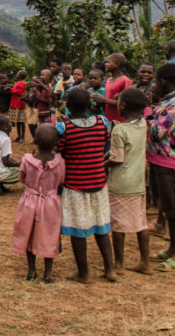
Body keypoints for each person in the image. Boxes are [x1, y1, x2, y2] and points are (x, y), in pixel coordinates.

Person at [56, 87, 116, 283]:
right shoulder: (102, 122)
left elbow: (61, 152)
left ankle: (84, 273)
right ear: (89, 105)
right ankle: (110, 269)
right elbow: (106, 144)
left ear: (67, 107)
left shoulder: (65, 129)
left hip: (75, 185)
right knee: (101, 228)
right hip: (98, 182)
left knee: (77, 229)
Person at [146, 63, 175, 270]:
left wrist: (146, 112)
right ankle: (173, 249)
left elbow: (157, 132)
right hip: (161, 159)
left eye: (157, 80)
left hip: (170, 161)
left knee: (173, 208)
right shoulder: (173, 100)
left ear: (163, 81)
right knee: (167, 204)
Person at [108, 87, 152, 275]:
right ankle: (145, 261)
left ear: (123, 105)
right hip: (138, 182)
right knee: (140, 222)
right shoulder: (143, 124)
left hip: (121, 183)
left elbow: (116, 159)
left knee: (118, 225)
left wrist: (101, 163)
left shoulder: (119, 130)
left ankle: (119, 263)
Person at [13, 124, 65, 282]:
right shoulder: (60, 162)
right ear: (56, 143)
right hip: (51, 203)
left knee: (29, 233)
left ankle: (31, 270)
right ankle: (48, 272)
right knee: (50, 235)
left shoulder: (27, 160)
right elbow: (61, 181)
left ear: (35, 140)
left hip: (29, 201)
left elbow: (22, 178)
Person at [91, 53, 132, 124]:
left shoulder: (125, 80)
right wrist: (98, 100)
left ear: (117, 64)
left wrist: (104, 100)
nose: (105, 64)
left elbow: (126, 103)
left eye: (108, 62)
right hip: (108, 119)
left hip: (120, 120)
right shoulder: (109, 80)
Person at [9, 70, 28, 142]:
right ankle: (19, 136)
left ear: (20, 75)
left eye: (17, 73)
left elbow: (19, 92)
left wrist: (11, 89)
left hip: (19, 104)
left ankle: (22, 137)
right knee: (17, 121)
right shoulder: (17, 82)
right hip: (15, 103)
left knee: (21, 121)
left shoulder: (22, 83)